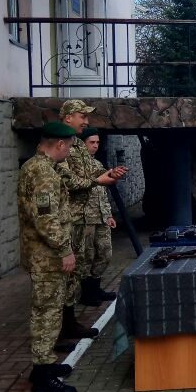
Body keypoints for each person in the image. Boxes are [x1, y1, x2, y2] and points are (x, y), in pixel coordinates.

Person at [16, 121, 80, 392]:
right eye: (69, 146)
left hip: (43, 254)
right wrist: (65, 250)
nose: (69, 152)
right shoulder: (42, 173)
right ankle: (42, 375)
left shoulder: (36, 167)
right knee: (47, 313)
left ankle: (44, 365)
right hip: (47, 257)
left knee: (49, 310)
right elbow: (46, 219)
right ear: (60, 145)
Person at [57, 100, 126, 344]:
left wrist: (111, 174)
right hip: (72, 220)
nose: (86, 121)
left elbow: (95, 172)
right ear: (67, 118)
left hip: (86, 218)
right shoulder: (62, 146)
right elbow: (72, 182)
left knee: (82, 269)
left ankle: (70, 322)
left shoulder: (76, 144)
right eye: (81, 116)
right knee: (69, 275)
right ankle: (62, 328)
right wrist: (99, 180)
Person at [76, 127, 118, 306]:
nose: (95, 146)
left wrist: (108, 214)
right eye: (91, 142)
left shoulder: (97, 165)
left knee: (105, 253)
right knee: (86, 256)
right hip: (84, 218)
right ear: (83, 143)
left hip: (100, 217)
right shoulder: (76, 164)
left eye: (97, 143)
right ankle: (87, 293)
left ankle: (96, 287)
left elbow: (102, 192)